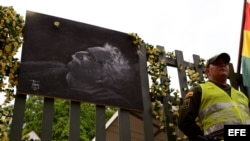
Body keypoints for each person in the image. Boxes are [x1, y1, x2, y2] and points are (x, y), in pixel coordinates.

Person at [178, 52, 250, 141]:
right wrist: (200, 138)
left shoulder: (241, 95)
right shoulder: (199, 90)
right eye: (217, 63)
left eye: (225, 63)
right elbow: (184, 121)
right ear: (207, 71)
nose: (223, 65)